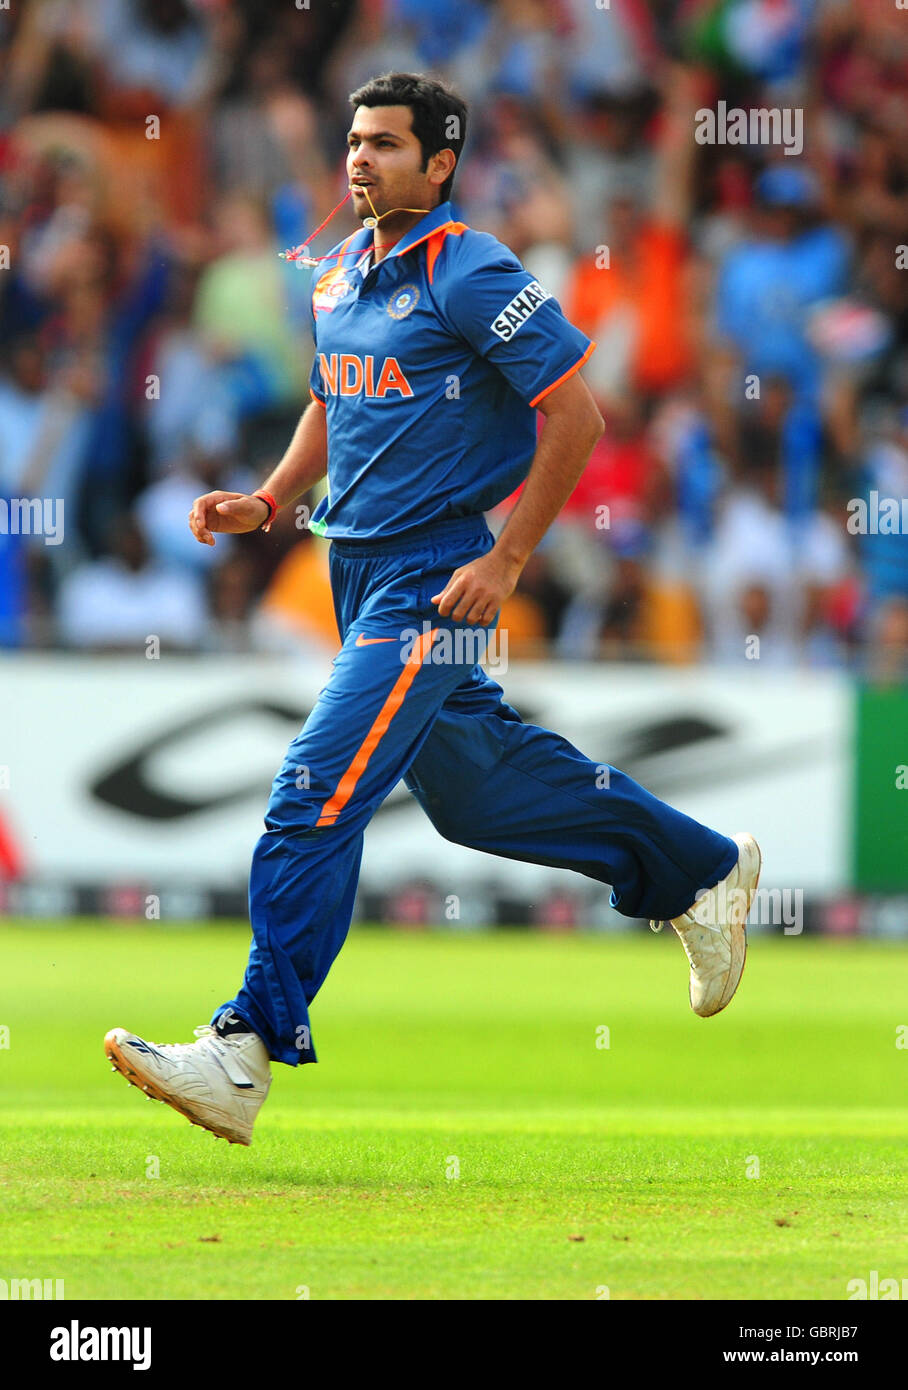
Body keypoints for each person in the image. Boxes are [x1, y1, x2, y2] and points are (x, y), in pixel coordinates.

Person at [105, 73, 761, 1145]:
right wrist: (272, 496)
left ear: (439, 165)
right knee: (475, 794)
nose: (359, 159)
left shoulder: (468, 267)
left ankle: (242, 1049)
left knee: (312, 790)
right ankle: (699, 869)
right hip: (356, 571)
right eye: (354, 141)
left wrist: (507, 558)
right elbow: (333, 396)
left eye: (387, 145)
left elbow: (577, 415)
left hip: (437, 579)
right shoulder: (338, 274)